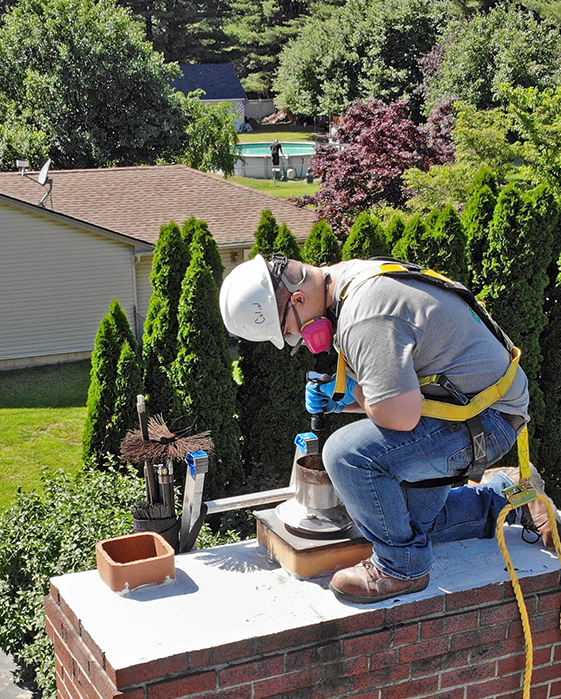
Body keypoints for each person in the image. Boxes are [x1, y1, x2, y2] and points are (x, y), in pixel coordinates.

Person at [219, 253, 530, 602]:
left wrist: (358, 393)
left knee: (345, 456)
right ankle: (513, 497)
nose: (299, 340)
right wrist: (347, 399)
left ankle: (401, 569)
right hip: (471, 406)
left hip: (486, 420)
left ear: (299, 299)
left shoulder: (363, 316)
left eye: (290, 331)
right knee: (397, 523)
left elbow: (400, 417)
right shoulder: (348, 280)